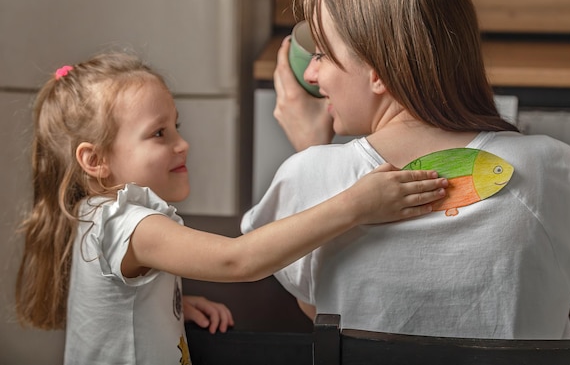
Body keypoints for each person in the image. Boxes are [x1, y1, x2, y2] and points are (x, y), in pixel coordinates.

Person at [240, 0, 570, 360]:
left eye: (321, 54)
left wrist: (315, 158)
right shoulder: (550, 171)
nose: (313, 76)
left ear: (378, 72)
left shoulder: (308, 178)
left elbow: (322, 311)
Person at [13, 51, 449, 365]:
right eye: (159, 134)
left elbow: (109, 299)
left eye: (175, 127)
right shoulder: (131, 223)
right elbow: (236, 259)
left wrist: (165, 302)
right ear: (96, 160)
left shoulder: (97, 212)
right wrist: (354, 206)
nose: (182, 143)